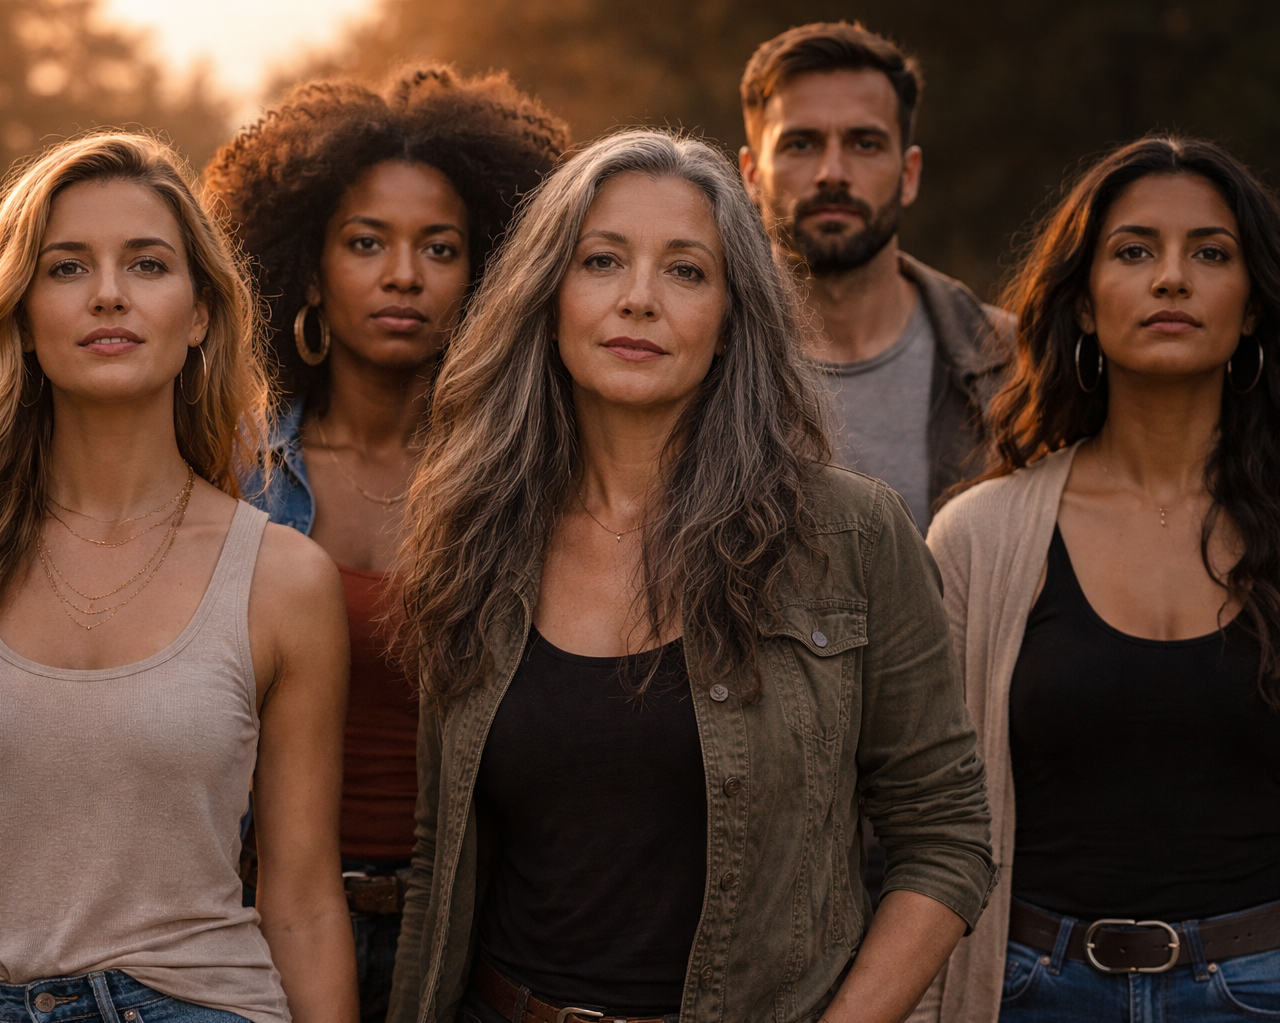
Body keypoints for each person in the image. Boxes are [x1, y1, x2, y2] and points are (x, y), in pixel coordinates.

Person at [384, 129, 995, 1023]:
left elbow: (946, 837)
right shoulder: (476, 529)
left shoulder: (848, 534)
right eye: (601, 261)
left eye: (685, 271)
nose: (639, 299)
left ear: (733, 315)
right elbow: (442, 850)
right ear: (547, 298)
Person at [205, 66, 570, 1023]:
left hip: (473, 924)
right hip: (252, 914)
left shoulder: (527, 484)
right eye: (366, 243)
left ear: (486, 270)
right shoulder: (228, 472)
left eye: (438, 248)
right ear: (309, 268)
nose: (402, 274)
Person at [0, 134, 357, 1023]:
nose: (109, 292)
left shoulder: (284, 578)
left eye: (147, 264)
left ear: (198, 313)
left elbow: (303, 899)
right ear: (23, 312)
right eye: (68, 266)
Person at [923, 137, 1280, 1022]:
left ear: (1254, 306)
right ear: (1083, 305)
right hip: (1028, 989)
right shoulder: (980, 536)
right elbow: (921, 827)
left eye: (1210, 251)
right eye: (1134, 250)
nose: (1171, 278)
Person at [739, 21, 1010, 535]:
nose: (833, 172)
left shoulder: (1016, 363)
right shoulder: (700, 358)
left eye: (864, 143)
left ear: (909, 175)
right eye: (801, 144)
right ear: (752, 174)